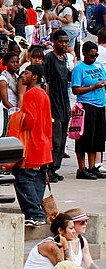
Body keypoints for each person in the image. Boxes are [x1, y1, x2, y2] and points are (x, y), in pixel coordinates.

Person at [13, 64, 52, 228]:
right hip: (44, 145)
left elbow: (29, 121)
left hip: (32, 145)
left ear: (35, 76)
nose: (23, 75)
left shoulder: (30, 94)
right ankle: (36, 213)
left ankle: (34, 213)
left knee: (22, 177)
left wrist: (16, 116)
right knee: (38, 179)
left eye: (26, 73)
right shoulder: (43, 93)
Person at [70, 41, 106, 180]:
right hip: (86, 106)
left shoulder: (98, 65)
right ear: (84, 54)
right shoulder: (79, 69)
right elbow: (75, 89)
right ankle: (81, 168)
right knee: (84, 139)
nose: (94, 58)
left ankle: (92, 167)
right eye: (91, 56)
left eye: (96, 55)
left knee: (97, 139)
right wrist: (93, 87)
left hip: (100, 105)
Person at [44, 30, 72, 183]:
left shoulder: (65, 58)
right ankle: (49, 169)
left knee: (62, 140)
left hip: (63, 104)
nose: (65, 44)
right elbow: (46, 82)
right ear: (54, 42)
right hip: (53, 105)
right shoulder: (49, 59)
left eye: (67, 41)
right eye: (61, 41)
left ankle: (55, 168)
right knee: (55, 139)